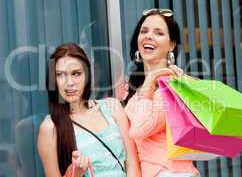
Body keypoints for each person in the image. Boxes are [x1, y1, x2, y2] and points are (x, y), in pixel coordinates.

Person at [37, 43, 140, 177]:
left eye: (76, 73)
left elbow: (132, 164)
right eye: (61, 75)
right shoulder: (50, 127)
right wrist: (75, 173)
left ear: (87, 76)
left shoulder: (111, 107)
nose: (69, 82)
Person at [123, 9, 200, 177]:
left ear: (171, 44)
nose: (149, 36)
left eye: (158, 33)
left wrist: (151, 81)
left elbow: (139, 130)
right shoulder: (135, 92)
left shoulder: (174, 86)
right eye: (144, 31)